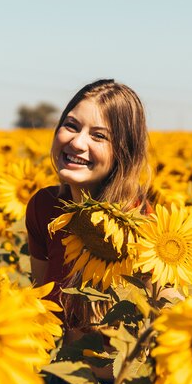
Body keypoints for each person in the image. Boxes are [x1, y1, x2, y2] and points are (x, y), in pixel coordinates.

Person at [26, 79, 151, 329]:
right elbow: (41, 303)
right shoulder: (44, 207)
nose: (77, 143)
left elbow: (142, 325)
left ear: (123, 152)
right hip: (52, 362)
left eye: (98, 136)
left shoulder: (140, 224)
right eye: (71, 126)